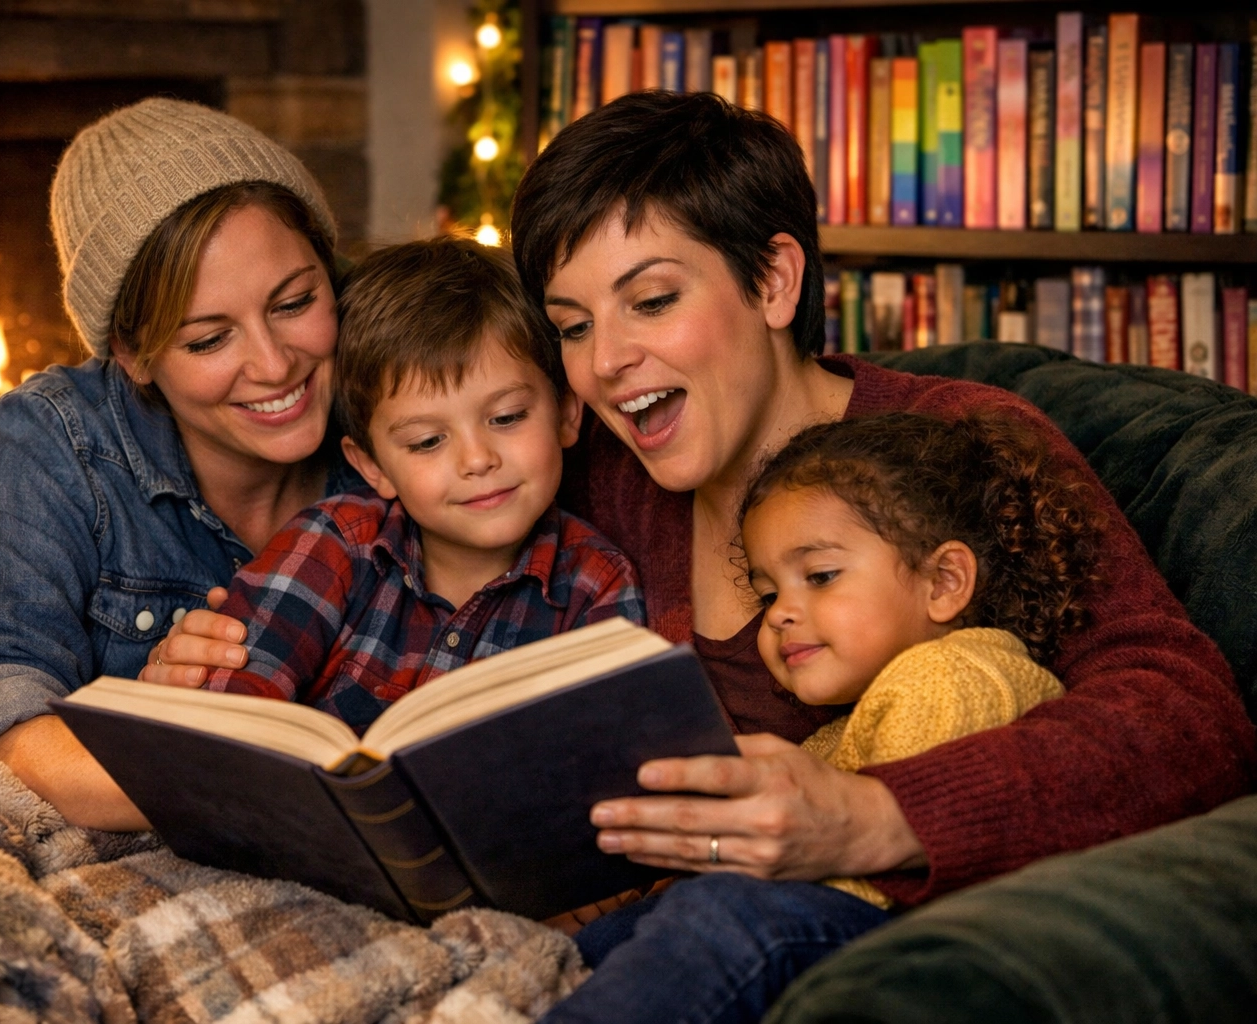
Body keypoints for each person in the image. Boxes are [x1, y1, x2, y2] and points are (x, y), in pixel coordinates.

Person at [154, 91, 1253, 925]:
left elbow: (1186, 712)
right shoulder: (575, 471)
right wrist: (210, 673)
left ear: (774, 282)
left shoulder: (962, 443)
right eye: (574, 325)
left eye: (654, 300)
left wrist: (880, 813)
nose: (608, 364)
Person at [540, 409, 1104, 1022]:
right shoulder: (848, 721)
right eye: (768, 592)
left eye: (821, 576)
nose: (780, 613)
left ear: (944, 581)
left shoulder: (953, 675)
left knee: (721, 914)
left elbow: (879, 874)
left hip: (904, 942)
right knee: (631, 929)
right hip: (832, 927)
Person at [0, 98, 356, 829]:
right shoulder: (47, 441)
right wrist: (233, 788)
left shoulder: (394, 389)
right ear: (133, 356)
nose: (276, 364)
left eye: (295, 302)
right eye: (209, 340)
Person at [194, 237, 644, 728]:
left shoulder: (597, 586)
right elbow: (229, 710)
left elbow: (600, 760)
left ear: (566, 412)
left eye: (508, 417)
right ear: (373, 467)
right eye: (428, 441)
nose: (477, 460)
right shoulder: (331, 543)